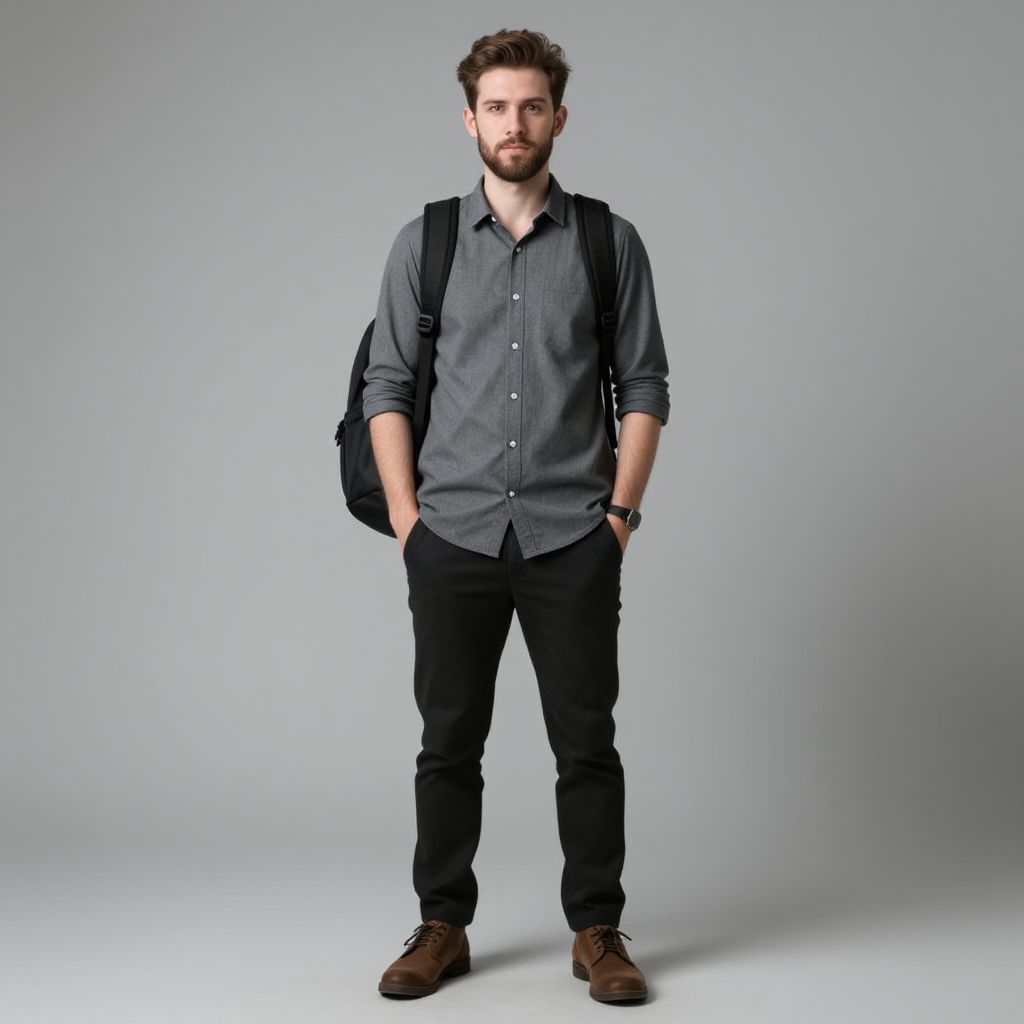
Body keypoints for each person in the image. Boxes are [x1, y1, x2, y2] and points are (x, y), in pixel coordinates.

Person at [363, 28, 670, 1004]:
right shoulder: (428, 241)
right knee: (447, 740)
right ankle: (441, 924)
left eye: (531, 105)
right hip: (449, 535)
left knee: (586, 742)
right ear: (470, 119)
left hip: (569, 534)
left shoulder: (606, 242)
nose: (514, 123)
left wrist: (617, 514)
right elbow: (386, 386)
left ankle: (599, 930)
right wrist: (409, 520)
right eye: (496, 107)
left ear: (558, 118)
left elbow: (645, 385)